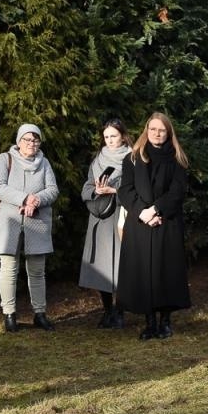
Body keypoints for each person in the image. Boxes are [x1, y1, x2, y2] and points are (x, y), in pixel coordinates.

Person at [117, 112, 191, 339]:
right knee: (143, 273)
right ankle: (149, 322)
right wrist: (143, 213)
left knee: (165, 271)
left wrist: (156, 210)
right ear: (146, 131)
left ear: (168, 133)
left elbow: (178, 191)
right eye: (153, 130)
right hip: (140, 224)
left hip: (167, 222)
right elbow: (125, 190)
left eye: (161, 130)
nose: (157, 134)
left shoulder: (178, 159)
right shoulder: (132, 158)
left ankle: (165, 321)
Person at [0, 123, 60, 332]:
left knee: (37, 270)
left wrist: (36, 200)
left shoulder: (45, 162)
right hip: (9, 221)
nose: (31, 143)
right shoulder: (6, 159)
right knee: (9, 269)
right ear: (19, 141)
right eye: (27, 139)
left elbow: (53, 190)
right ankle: (9, 315)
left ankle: (39, 314)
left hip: (37, 221)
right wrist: (24, 198)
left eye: (35, 140)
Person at [80, 119, 130, 329]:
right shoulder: (97, 160)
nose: (109, 140)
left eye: (114, 136)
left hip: (121, 216)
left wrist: (115, 191)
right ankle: (107, 310)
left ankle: (120, 312)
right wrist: (96, 190)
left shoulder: (133, 158)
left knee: (120, 266)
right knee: (101, 266)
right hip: (99, 217)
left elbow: (137, 190)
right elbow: (86, 187)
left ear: (123, 136)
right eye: (106, 137)